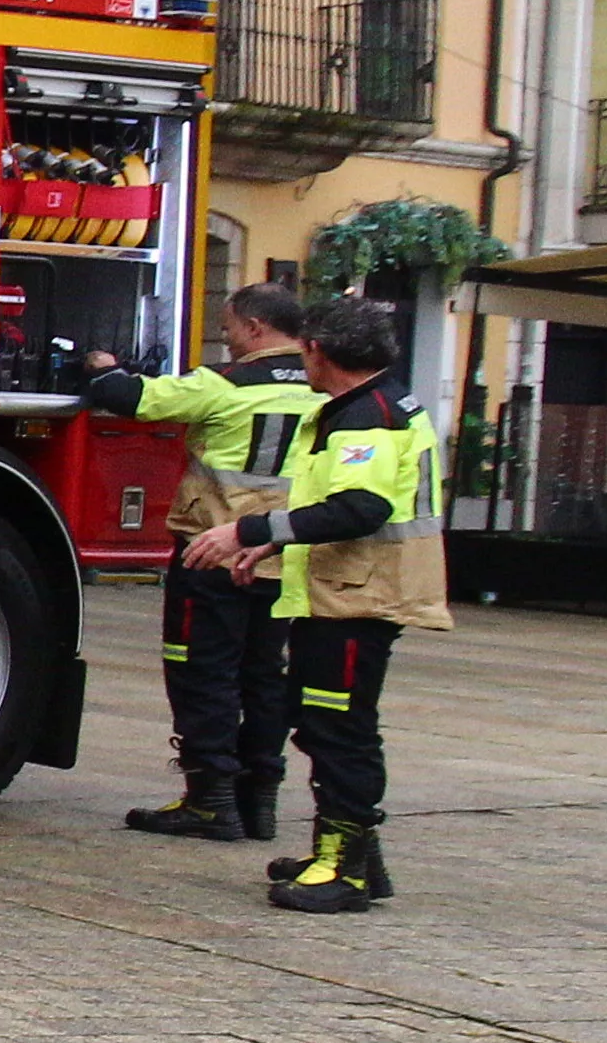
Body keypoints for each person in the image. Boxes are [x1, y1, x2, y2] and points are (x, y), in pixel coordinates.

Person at [177, 290, 442, 915]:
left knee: (338, 730)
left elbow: (360, 506)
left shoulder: (366, 416)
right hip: (348, 591)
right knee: (329, 722)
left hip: (357, 597)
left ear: (317, 352)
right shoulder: (372, 402)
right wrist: (271, 550)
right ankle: (351, 855)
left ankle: (343, 868)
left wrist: (248, 532)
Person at [78, 282, 318, 841]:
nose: (228, 338)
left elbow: (129, 397)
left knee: (203, 674)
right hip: (286, 556)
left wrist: (100, 364)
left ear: (255, 328)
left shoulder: (225, 384)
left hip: (215, 553)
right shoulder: (322, 386)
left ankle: (210, 799)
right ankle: (259, 801)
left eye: (231, 326)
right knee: (263, 677)